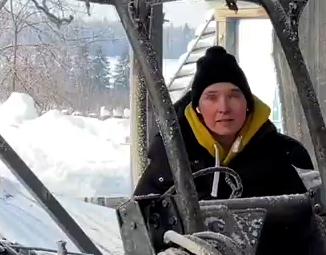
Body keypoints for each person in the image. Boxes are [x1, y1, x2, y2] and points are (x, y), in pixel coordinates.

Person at [134, 46, 312, 199]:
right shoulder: (171, 155)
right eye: (211, 97)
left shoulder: (282, 154)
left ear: (248, 104)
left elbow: (309, 223)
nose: (224, 107)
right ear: (197, 108)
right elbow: (145, 222)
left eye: (234, 95)